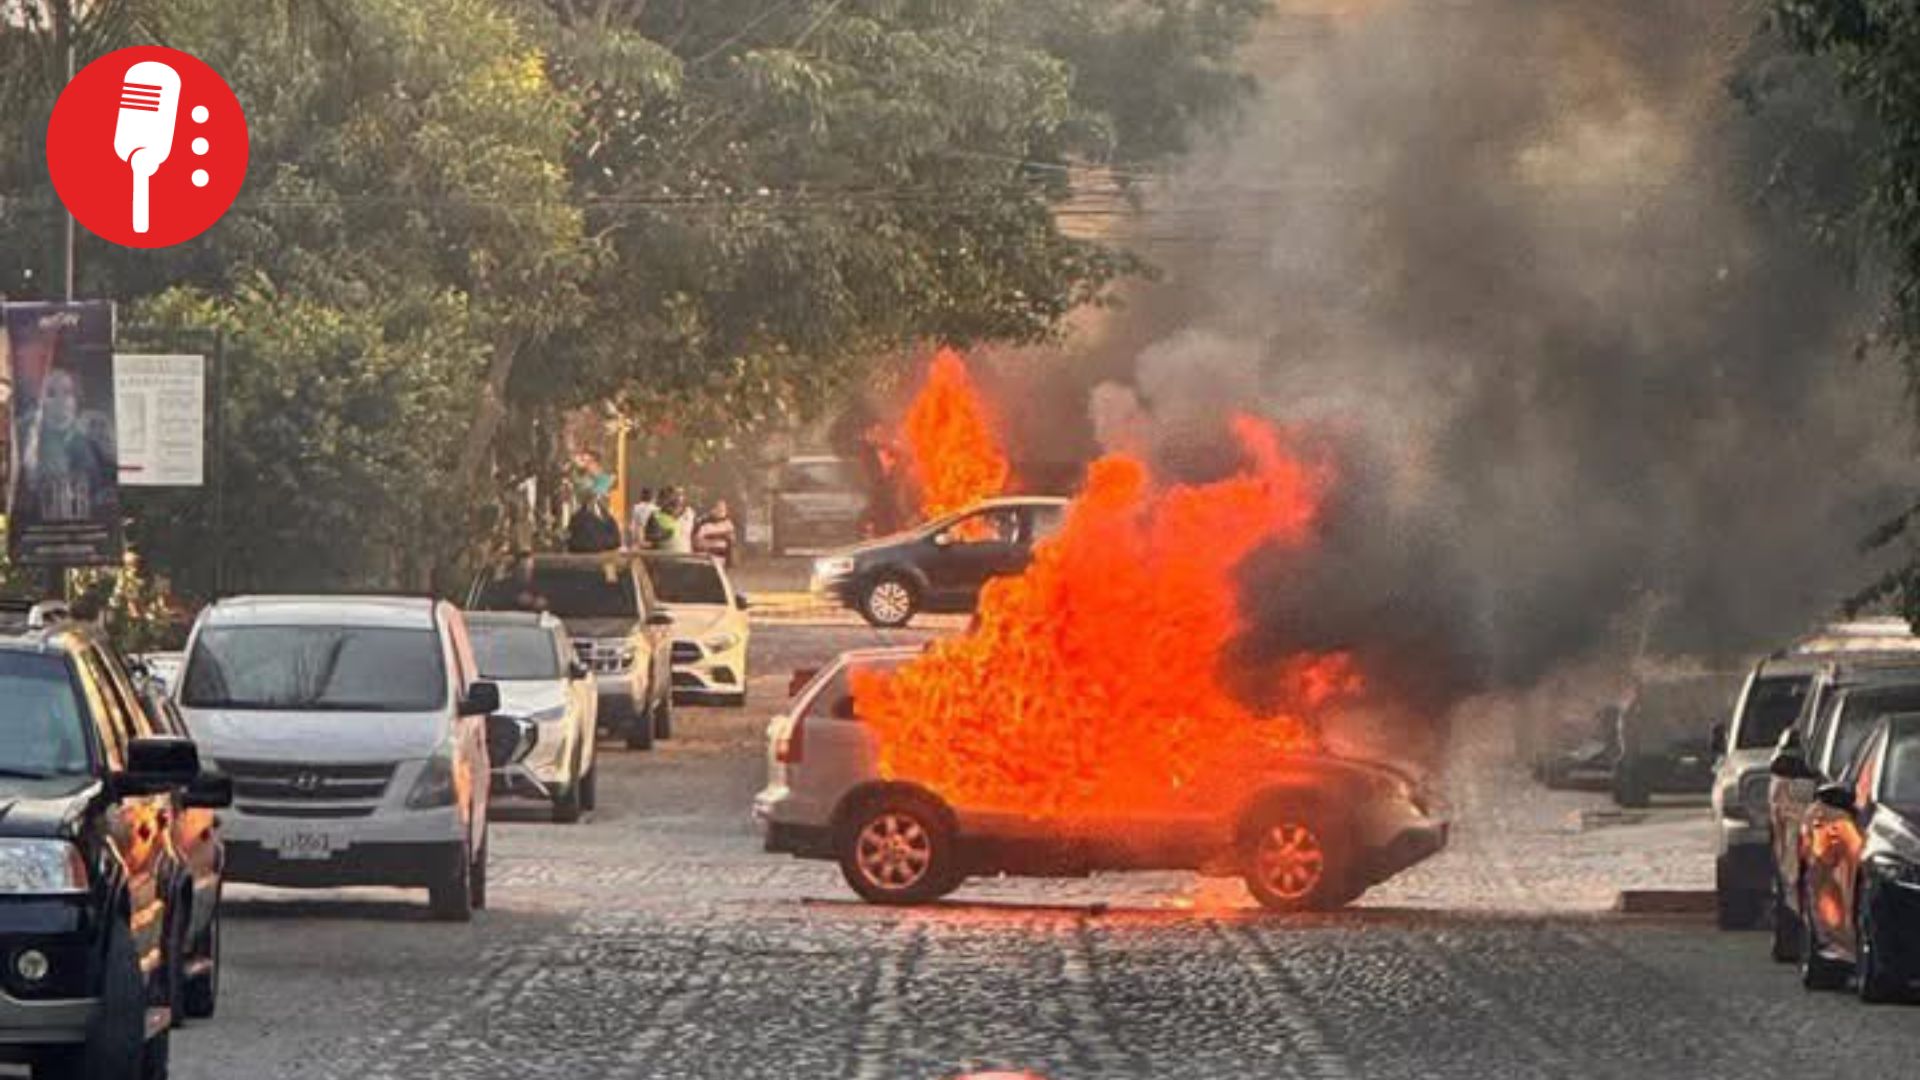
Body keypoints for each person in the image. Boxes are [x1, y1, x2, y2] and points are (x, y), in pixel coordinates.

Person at [694, 499, 738, 566]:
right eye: (718, 508)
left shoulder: (728, 523)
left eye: (723, 509)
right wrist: (719, 535)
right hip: (706, 559)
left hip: (722, 559)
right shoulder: (703, 522)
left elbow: (731, 540)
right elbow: (698, 540)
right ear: (713, 509)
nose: (721, 511)